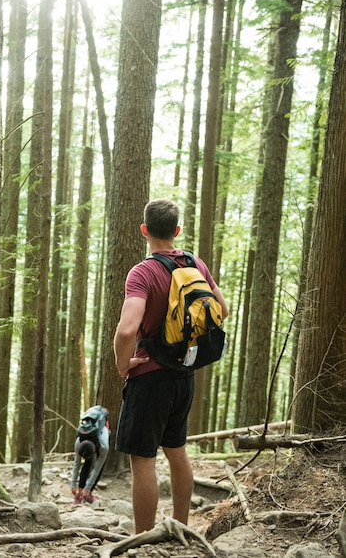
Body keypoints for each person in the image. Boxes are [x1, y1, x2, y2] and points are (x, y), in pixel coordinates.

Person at [114, 198, 228, 533]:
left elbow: (126, 329)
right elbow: (222, 309)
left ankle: (144, 537)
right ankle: (180, 526)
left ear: (144, 230)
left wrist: (124, 363)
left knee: (143, 458)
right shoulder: (195, 263)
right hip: (184, 374)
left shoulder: (143, 272)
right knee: (177, 452)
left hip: (150, 377)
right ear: (176, 230)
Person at [71, 409, 110, 507]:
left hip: (102, 424)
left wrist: (88, 488)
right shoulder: (78, 443)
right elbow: (77, 464)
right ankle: (79, 495)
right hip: (91, 420)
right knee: (87, 463)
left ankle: (88, 493)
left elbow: (97, 468)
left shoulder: (104, 446)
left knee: (100, 465)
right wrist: (73, 485)